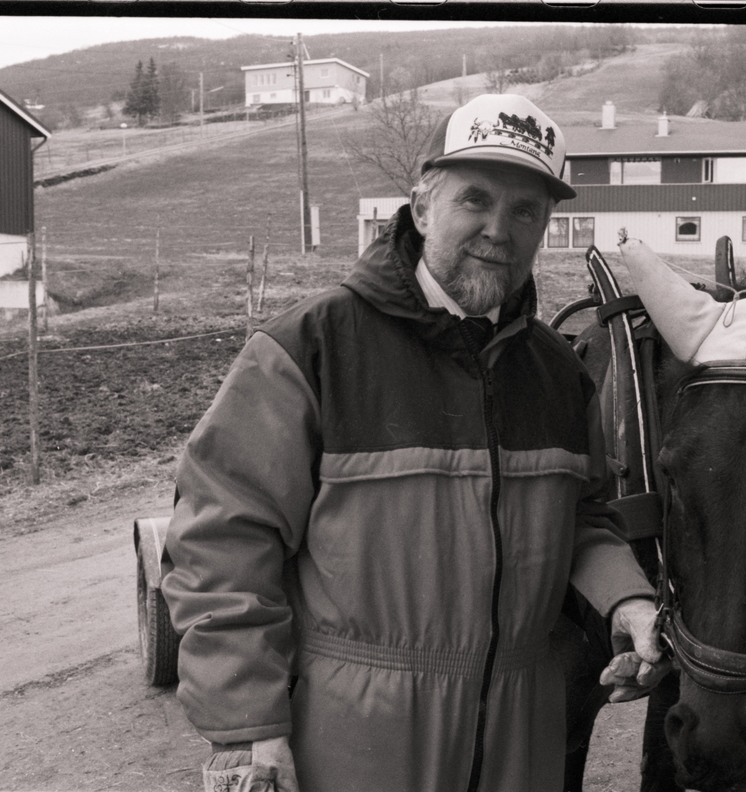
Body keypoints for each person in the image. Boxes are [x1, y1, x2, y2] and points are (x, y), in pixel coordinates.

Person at [161, 93, 669, 792]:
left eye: (526, 212)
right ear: (422, 206)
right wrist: (249, 726)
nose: (499, 229)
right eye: (476, 200)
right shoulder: (311, 349)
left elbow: (582, 516)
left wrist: (627, 600)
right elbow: (220, 539)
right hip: (355, 736)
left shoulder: (557, 373)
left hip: (521, 738)